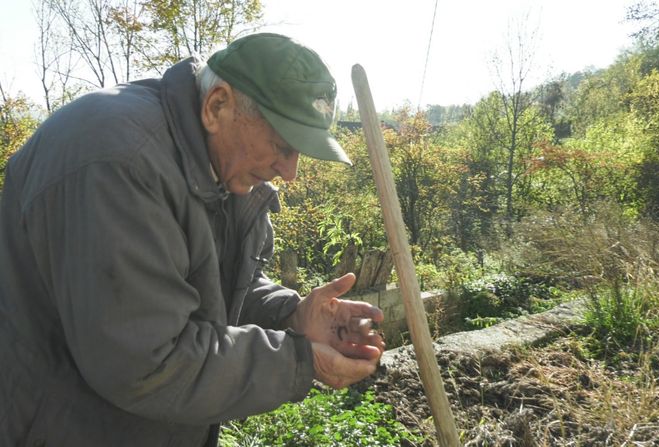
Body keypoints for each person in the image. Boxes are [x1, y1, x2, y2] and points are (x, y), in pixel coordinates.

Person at [0, 33, 384, 446]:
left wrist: (291, 316)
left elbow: (213, 288)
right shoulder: (119, 162)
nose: (289, 171)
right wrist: (300, 361)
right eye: (281, 145)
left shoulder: (226, 169)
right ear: (217, 105)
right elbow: (147, 362)